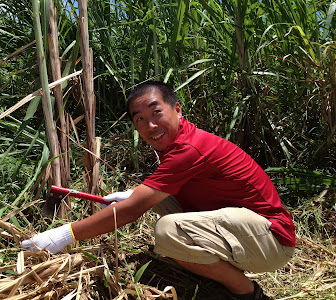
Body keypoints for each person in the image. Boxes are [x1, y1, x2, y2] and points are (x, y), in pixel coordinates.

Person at [22, 81, 296, 300]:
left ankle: (246, 292)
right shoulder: (180, 143)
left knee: (168, 230)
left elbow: (131, 211)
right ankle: (211, 265)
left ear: (177, 110)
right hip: (250, 231)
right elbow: (146, 197)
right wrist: (134, 196)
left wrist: (65, 234)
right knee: (152, 199)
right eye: (139, 119)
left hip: (272, 240)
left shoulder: (190, 149)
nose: (149, 125)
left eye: (156, 112)